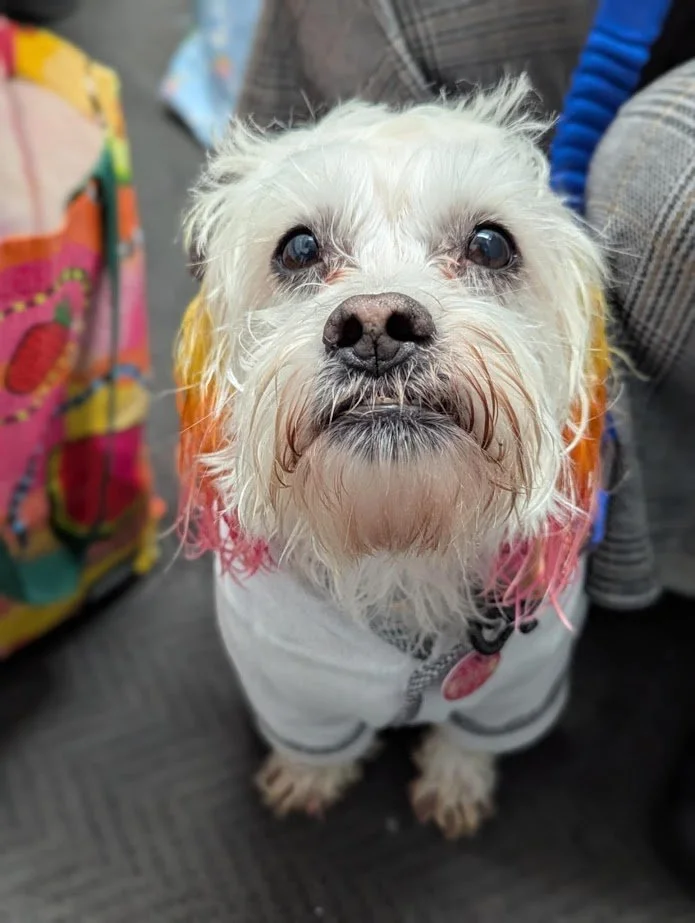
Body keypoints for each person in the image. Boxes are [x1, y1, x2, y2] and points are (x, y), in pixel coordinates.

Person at [232, 0, 695, 890]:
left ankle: (463, 754)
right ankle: (322, 753)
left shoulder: (541, 588)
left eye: (486, 249)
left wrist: (468, 751)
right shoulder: (260, 610)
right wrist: (312, 747)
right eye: (301, 255)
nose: (378, 315)